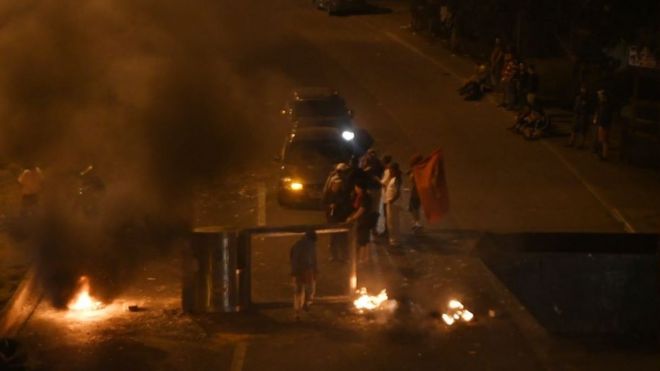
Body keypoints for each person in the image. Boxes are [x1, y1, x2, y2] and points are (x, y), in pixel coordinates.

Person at [346, 181, 376, 264]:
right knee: (364, 239)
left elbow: (361, 210)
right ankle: (365, 258)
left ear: (360, 188)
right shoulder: (360, 196)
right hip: (363, 220)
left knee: (362, 239)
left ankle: (362, 258)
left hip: (364, 221)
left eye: (356, 187)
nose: (355, 189)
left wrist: (352, 218)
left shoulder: (365, 197)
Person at [290, 230, 318, 319]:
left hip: (297, 270)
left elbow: (292, 256)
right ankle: (307, 303)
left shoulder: (297, 244)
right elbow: (313, 259)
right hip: (307, 269)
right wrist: (316, 270)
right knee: (310, 288)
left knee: (298, 291)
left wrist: (293, 270)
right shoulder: (311, 245)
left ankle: (297, 311)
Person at [323, 178, 352, 262]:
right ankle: (334, 256)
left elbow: (347, 205)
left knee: (343, 238)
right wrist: (329, 206)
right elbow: (322, 204)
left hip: (341, 218)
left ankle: (345, 256)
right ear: (332, 184)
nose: (337, 187)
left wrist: (340, 207)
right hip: (332, 218)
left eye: (339, 185)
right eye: (336, 185)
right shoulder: (328, 193)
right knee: (333, 238)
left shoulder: (343, 194)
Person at [383, 163, 402, 247]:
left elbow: (398, 193)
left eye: (391, 170)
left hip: (393, 204)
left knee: (393, 222)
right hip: (390, 203)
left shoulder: (397, 179)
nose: (389, 171)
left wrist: (392, 200)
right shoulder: (392, 179)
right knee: (391, 222)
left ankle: (395, 241)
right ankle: (393, 240)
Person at [592, 89, 613, 160]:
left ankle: (604, 156)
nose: (599, 97)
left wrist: (603, 124)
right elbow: (598, 112)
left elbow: (607, 116)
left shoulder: (607, 105)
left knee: (604, 140)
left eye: (600, 95)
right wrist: (596, 119)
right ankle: (601, 153)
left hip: (604, 124)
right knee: (601, 139)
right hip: (601, 123)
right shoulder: (601, 104)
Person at [408, 155, 424, 233]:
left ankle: (417, 223)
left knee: (415, 208)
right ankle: (416, 222)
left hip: (416, 192)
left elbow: (414, 180)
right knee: (414, 208)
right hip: (416, 191)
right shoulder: (417, 169)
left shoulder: (417, 170)